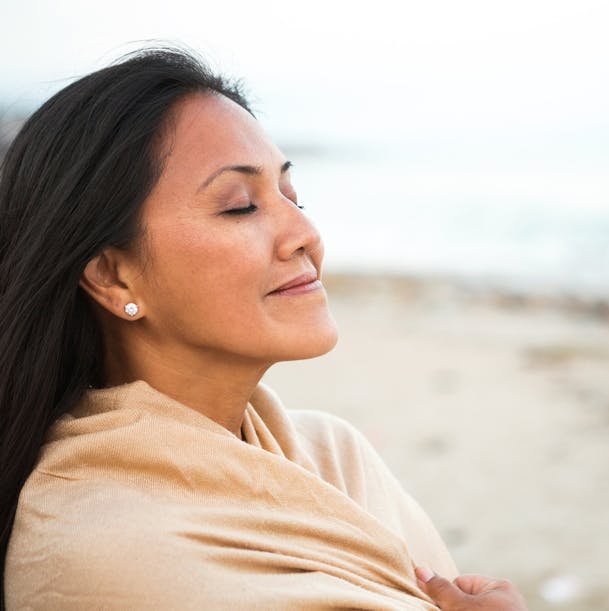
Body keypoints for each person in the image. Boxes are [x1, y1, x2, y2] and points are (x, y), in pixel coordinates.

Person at [0, 47, 527, 610]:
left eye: (291, 196)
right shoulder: (100, 551)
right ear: (112, 276)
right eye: (240, 206)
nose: (304, 232)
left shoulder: (335, 457)